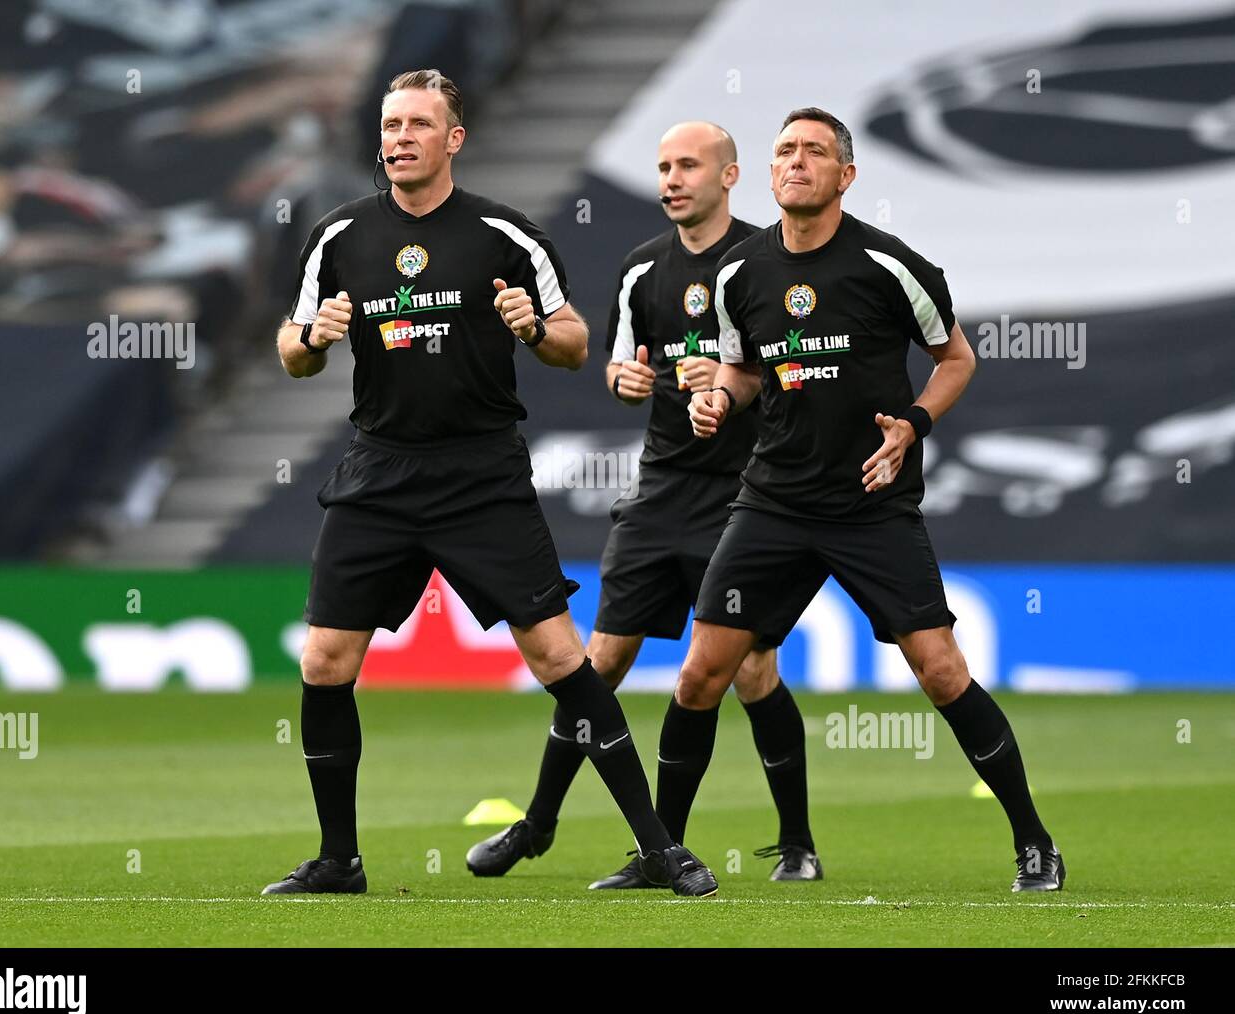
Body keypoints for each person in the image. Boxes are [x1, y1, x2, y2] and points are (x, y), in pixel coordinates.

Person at [263, 69, 717, 897]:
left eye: (417, 125)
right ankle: (338, 860)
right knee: (326, 658)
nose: (398, 138)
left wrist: (536, 328)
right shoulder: (338, 239)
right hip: (378, 472)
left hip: (480, 473)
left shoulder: (508, 237)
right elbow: (291, 353)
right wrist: (314, 337)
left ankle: (658, 847)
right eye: (390, 124)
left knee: (557, 655)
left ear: (453, 139)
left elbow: (577, 344)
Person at [683, 107, 1064, 892]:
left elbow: (956, 359)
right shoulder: (737, 275)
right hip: (774, 501)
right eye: (783, 149)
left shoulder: (891, 266)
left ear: (845, 176)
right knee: (702, 677)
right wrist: (718, 399)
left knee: (940, 669)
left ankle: (1035, 843)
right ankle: (668, 852)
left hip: (870, 501)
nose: (795, 162)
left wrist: (914, 425)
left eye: (813, 152)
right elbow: (747, 369)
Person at [466, 122, 823, 888]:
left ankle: (794, 841)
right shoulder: (640, 270)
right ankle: (539, 825)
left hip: (747, 496)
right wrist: (625, 383)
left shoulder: (767, 263)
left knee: (750, 667)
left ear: (729, 177)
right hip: (660, 492)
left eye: (687, 165)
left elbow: (794, 374)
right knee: (599, 665)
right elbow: (621, 367)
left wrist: (728, 387)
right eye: (662, 166)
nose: (670, 178)